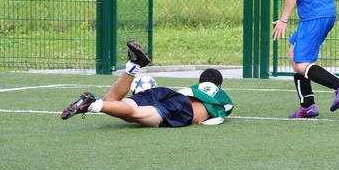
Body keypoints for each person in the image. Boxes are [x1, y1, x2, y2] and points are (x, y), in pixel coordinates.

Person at [61, 40, 233, 127]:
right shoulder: (222, 99)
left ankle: (132, 67)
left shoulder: (194, 89)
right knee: (134, 114)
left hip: (169, 93)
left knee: (111, 102)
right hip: (182, 109)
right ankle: (91, 105)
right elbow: (218, 118)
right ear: (219, 86)